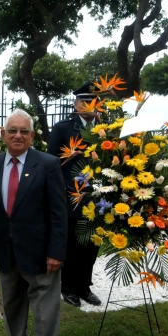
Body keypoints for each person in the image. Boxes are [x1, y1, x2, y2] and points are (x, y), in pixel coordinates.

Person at [0, 109, 68, 336]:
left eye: (24, 131)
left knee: (44, 313)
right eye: (13, 130)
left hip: (41, 254)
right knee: (12, 306)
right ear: (3, 134)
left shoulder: (48, 164)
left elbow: (58, 214)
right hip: (6, 251)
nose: (18, 136)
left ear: (32, 136)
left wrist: (56, 252)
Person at [47, 82, 102, 308]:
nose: (89, 106)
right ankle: (67, 286)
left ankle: (84, 286)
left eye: (93, 102)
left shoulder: (105, 128)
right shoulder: (63, 128)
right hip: (71, 194)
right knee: (71, 241)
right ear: (76, 104)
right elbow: (51, 163)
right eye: (85, 102)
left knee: (92, 241)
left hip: (98, 194)